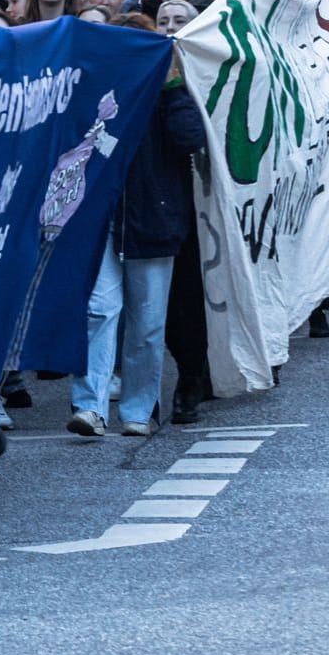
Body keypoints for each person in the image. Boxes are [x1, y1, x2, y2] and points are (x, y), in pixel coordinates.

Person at [68, 28, 206, 438]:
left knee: (147, 323)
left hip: (154, 220)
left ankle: (138, 408)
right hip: (100, 221)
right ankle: (89, 406)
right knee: (98, 311)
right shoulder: (99, 95)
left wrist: (173, 88)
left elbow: (190, 139)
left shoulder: (167, 96)